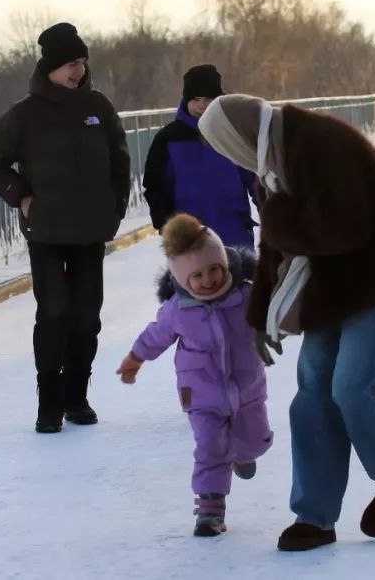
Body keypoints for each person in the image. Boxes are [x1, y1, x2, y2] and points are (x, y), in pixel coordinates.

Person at [198, 94, 375, 551]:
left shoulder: (320, 142)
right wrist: (259, 316)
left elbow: (343, 228)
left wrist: (276, 216)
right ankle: (314, 517)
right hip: (330, 287)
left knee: (353, 389)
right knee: (312, 395)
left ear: (239, 136)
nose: (230, 157)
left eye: (225, 146)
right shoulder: (272, 160)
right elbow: (276, 247)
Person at [0, 22, 131, 434]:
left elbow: (120, 161)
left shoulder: (99, 108)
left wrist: (115, 208)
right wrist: (21, 196)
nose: (78, 71)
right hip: (45, 232)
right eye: (70, 64)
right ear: (50, 68)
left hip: (90, 231)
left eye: (82, 62)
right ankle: (49, 404)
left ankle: (76, 398)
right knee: (54, 313)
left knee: (86, 317)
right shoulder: (24, 115)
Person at [116, 213, 273, 537]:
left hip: (247, 387)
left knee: (255, 441)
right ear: (182, 278)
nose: (208, 280)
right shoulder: (178, 309)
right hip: (201, 391)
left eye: (214, 269)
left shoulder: (245, 295)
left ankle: (241, 454)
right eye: (197, 275)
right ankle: (209, 511)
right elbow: (156, 335)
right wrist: (135, 358)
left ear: (225, 264)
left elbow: (270, 313)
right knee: (209, 446)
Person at [142, 65, 257, 246]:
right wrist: (165, 224)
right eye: (196, 99)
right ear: (186, 99)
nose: (202, 106)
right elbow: (154, 185)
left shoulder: (234, 133)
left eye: (209, 99)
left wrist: (272, 216)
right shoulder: (168, 138)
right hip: (188, 238)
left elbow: (256, 180)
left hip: (235, 233)